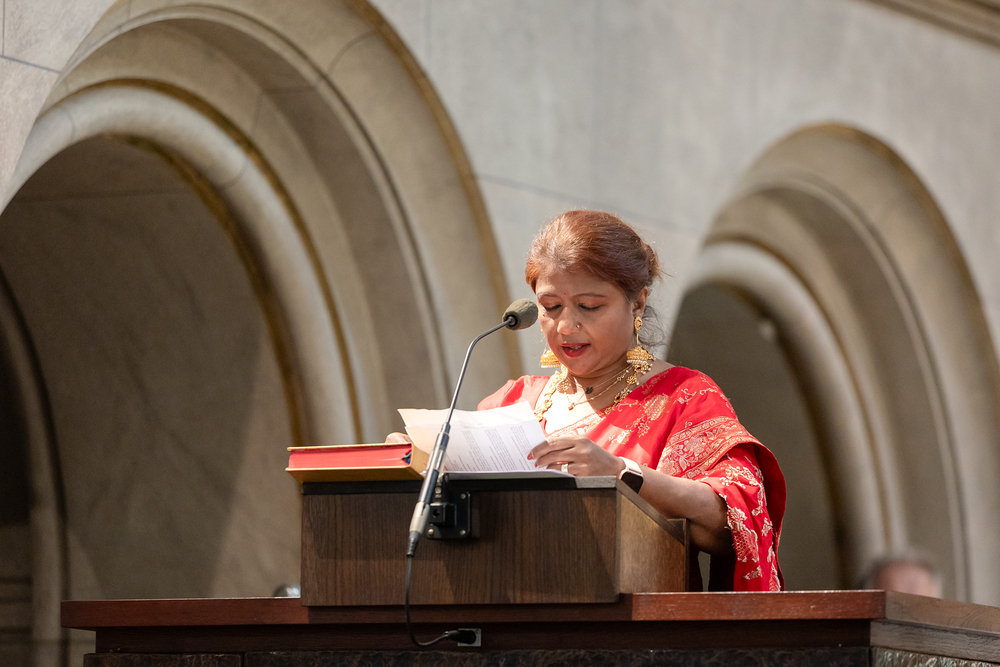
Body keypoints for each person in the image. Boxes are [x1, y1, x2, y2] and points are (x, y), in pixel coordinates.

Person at [391, 210, 785, 591]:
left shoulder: (684, 396)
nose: (566, 325)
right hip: (501, 610)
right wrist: (419, 463)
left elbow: (735, 519)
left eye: (590, 306)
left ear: (637, 303)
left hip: (628, 622)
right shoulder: (513, 400)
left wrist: (622, 472)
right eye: (550, 307)